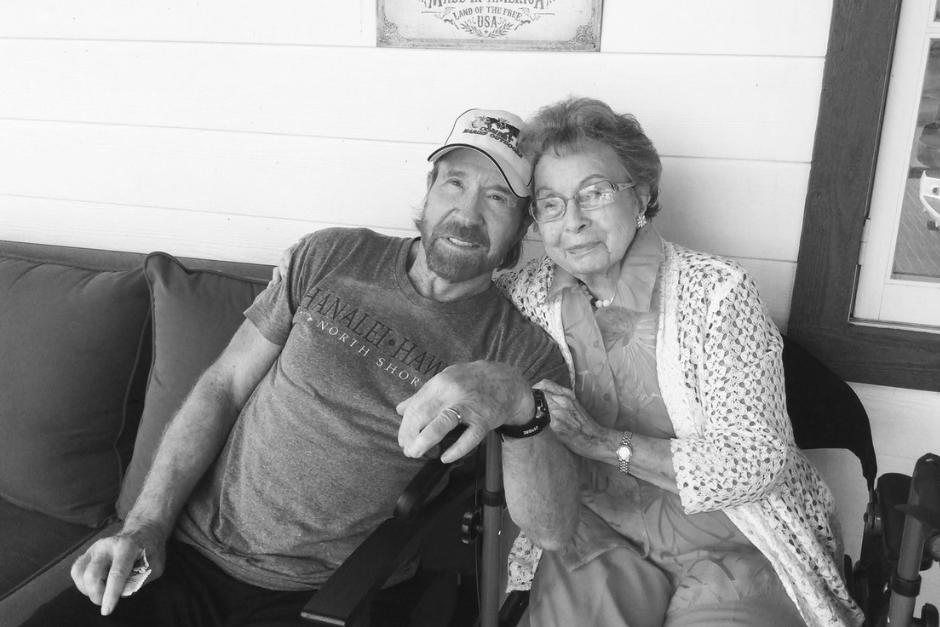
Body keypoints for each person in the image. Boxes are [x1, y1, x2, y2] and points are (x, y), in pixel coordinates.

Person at [24, 108, 578, 627]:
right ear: (430, 189)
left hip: (324, 596)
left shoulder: (517, 350)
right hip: (185, 554)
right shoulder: (331, 255)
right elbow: (224, 386)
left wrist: (518, 404)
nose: (468, 212)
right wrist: (146, 525)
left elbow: (552, 529)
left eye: (498, 197)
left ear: (522, 225)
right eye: (455, 183)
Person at [398, 98, 865, 627]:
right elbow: (442, 296)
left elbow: (757, 461)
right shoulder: (523, 297)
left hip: (732, 547)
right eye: (550, 204)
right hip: (596, 539)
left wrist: (601, 443)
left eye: (594, 193)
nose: (574, 222)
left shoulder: (717, 293)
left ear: (641, 195)